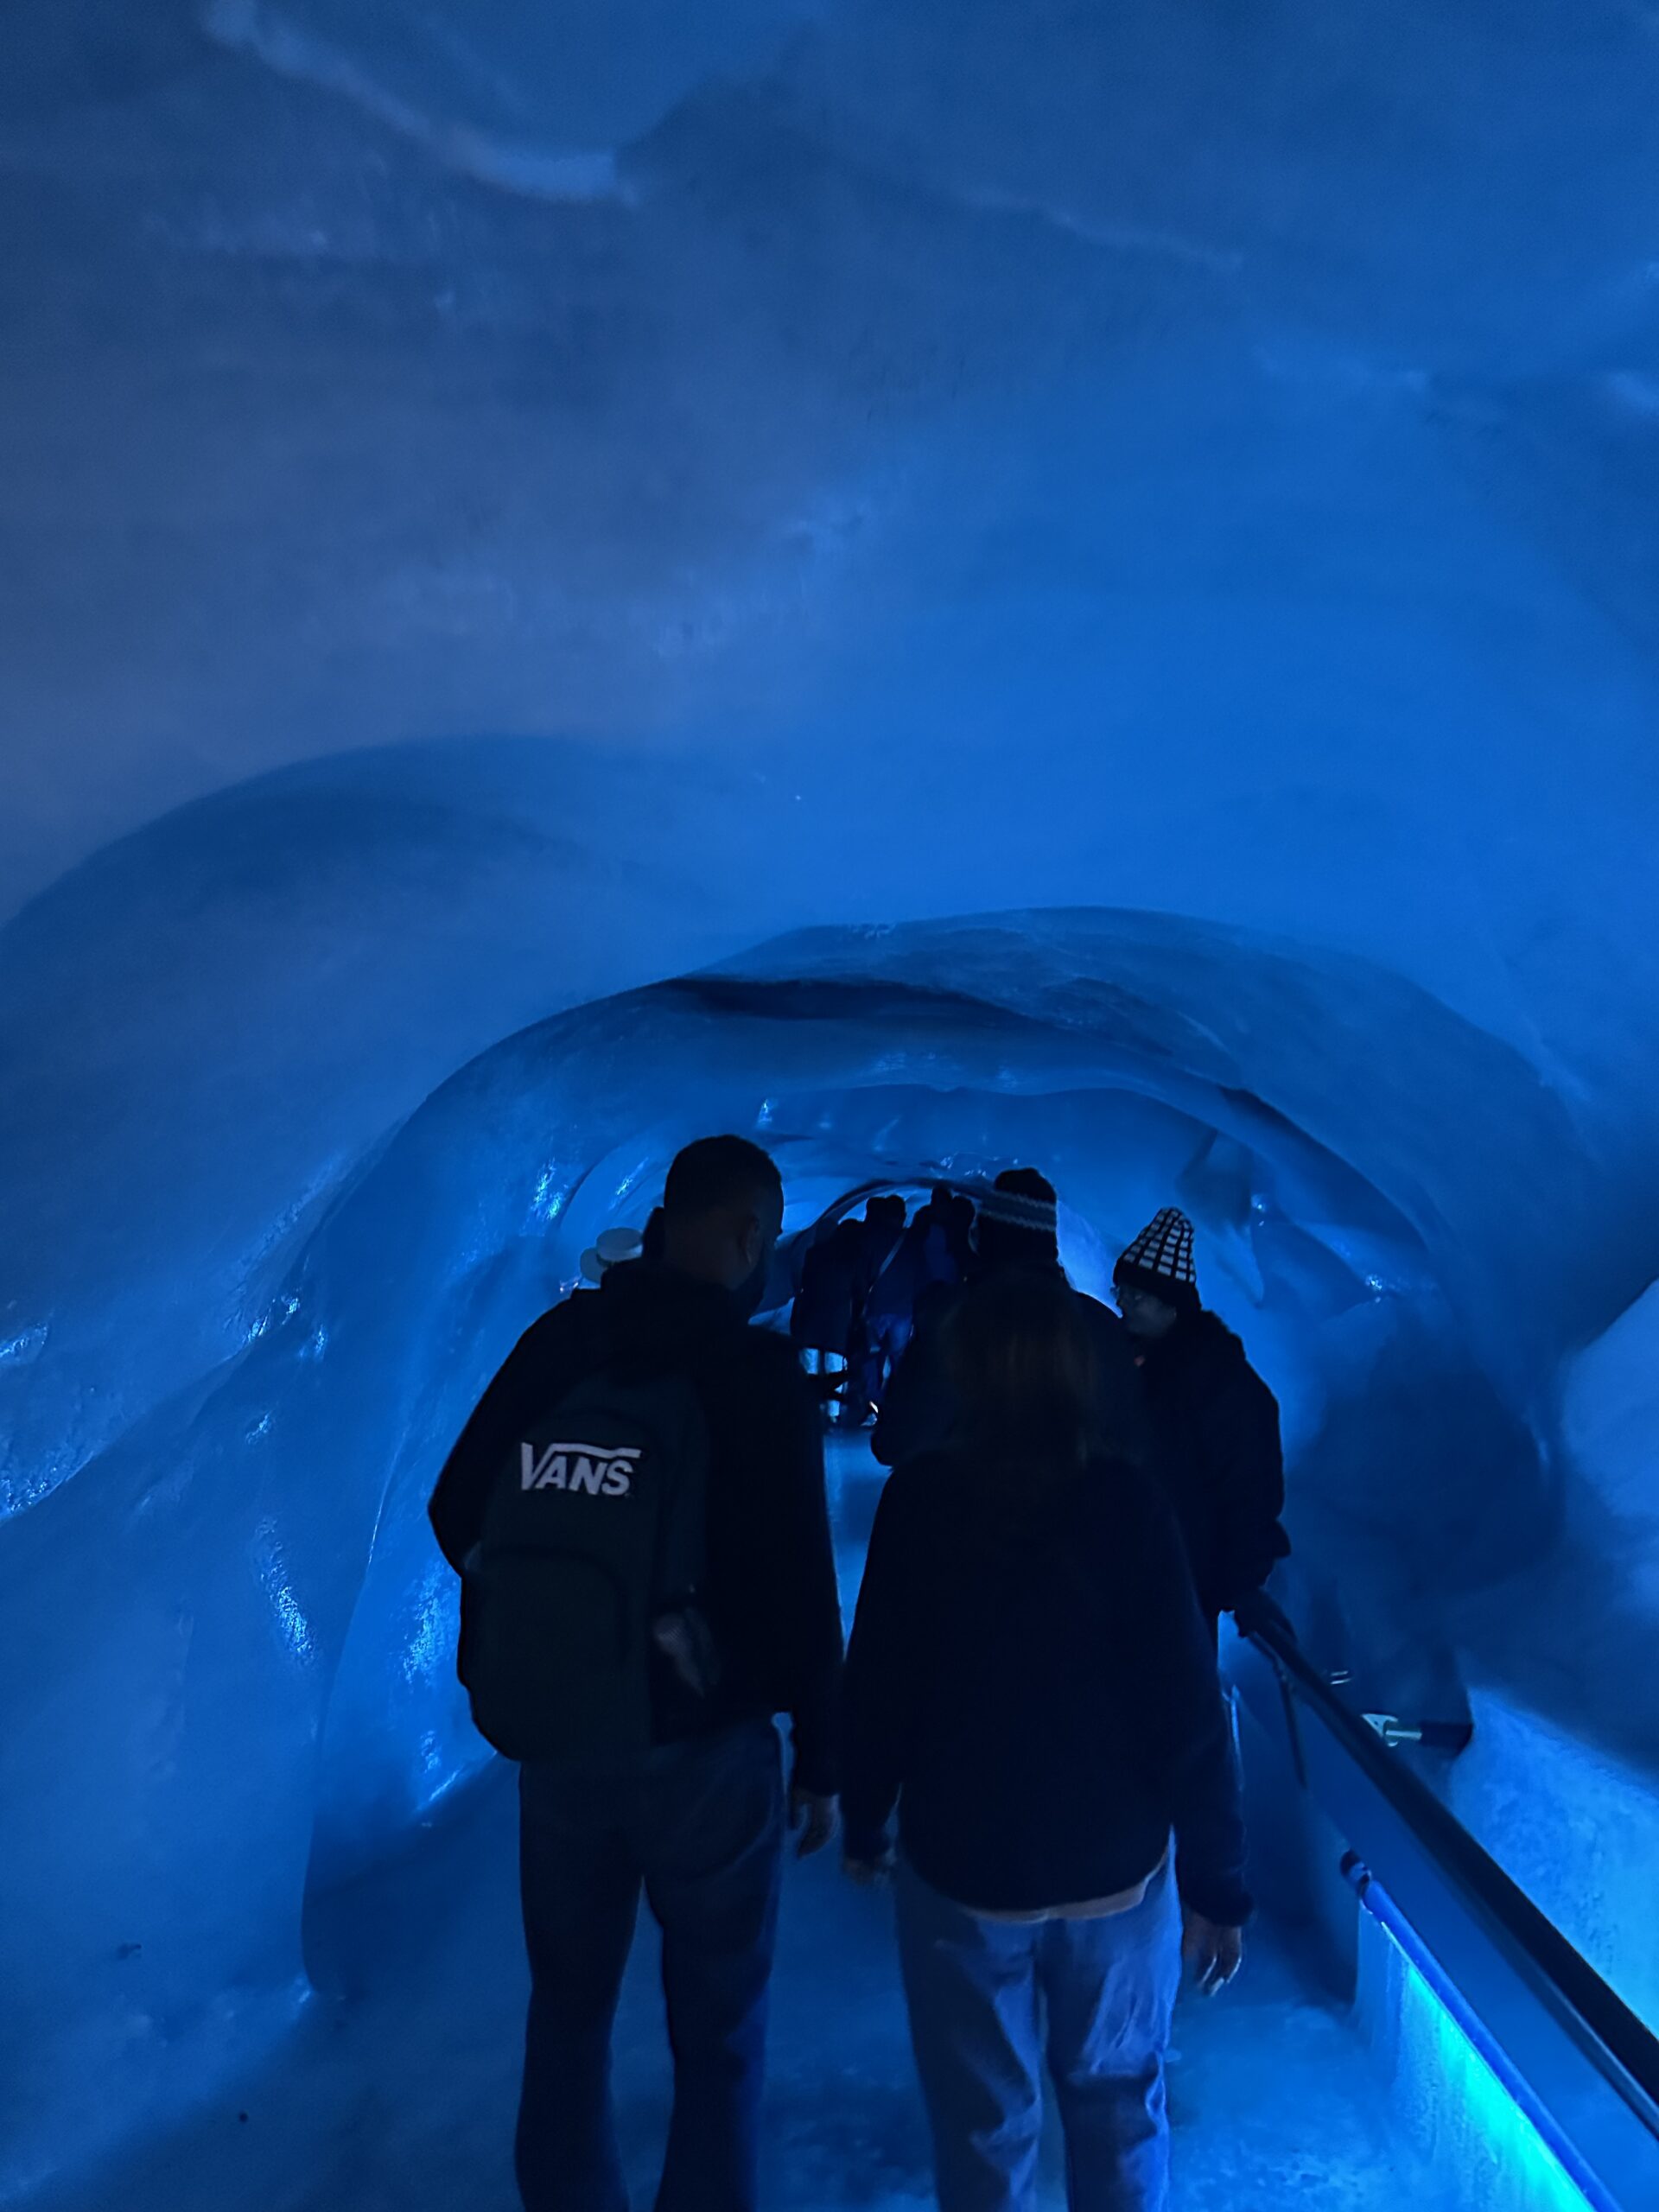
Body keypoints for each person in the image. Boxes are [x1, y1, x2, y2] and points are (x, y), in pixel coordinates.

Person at [428, 1136, 844, 2212]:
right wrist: (822, 1754)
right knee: (719, 2024)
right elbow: (802, 1585)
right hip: (709, 1749)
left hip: (564, 1738)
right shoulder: (756, 1374)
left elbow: (455, 1504)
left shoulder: (563, 1342)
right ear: (746, 1235)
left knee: (568, 2005)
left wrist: (553, 1622)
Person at [842, 1268, 1249, 2212]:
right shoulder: (1128, 1502)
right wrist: (1218, 1883)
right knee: (1119, 2100)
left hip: (965, 1862)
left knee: (981, 2115)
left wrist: (864, 1813)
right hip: (1115, 1865)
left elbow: (880, 1681)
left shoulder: (923, 1497)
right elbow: (1187, 1708)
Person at [873, 1168, 1147, 1470]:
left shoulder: (954, 1319)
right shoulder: (1101, 1324)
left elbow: (898, 1442)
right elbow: (1130, 1440)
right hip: (1082, 1496)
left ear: (986, 1241)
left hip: (972, 1495)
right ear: (1050, 1243)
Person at [1112, 1209, 1289, 1634]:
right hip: (1135, 1571)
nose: (1121, 1303)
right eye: (1122, 1291)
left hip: (1180, 1580)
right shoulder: (1130, 1360)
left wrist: (1238, 1579)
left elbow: (1249, 1483)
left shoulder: (1217, 1381)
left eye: (1136, 1296)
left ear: (1170, 1307)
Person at [790, 1213, 864, 1421]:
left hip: (812, 1314)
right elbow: (858, 1289)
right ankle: (833, 1412)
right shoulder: (850, 1257)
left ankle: (810, 1407)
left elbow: (804, 1282)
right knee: (835, 1365)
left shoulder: (814, 1253)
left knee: (809, 1363)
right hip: (837, 1319)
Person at [845, 1192, 909, 1423]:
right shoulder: (910, 1238)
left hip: (877, 1306)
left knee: (872, 1355)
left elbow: (862, 1273)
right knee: (898, 1357)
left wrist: (861, 1300)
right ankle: (900, 1404)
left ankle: (873, 1403)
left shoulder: (872, 1238)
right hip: (904, 1309)